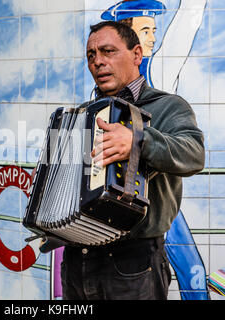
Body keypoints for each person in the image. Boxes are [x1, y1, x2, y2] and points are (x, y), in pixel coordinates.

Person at [60, 20, 205, 300]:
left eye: (108, 51)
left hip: (133, 261)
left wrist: (138, 141)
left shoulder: (168, 106)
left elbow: (193, 153)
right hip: (78, 259)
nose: (98, 62)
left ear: (136, 55)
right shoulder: (82, 115)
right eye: (91, 55)